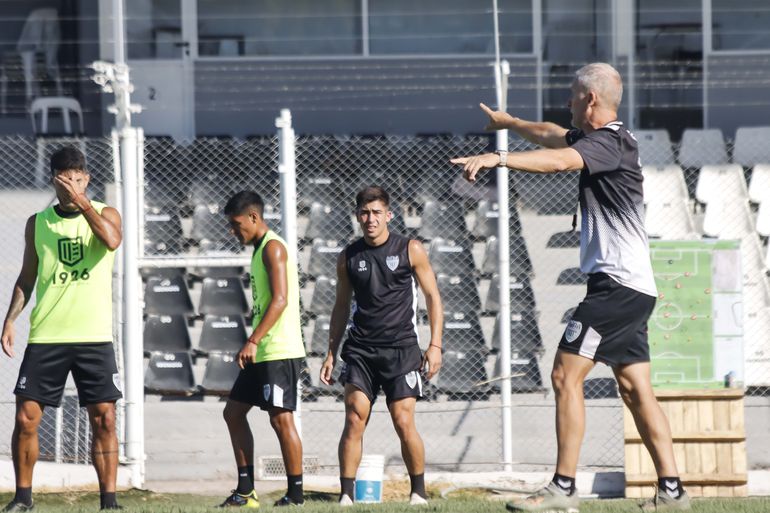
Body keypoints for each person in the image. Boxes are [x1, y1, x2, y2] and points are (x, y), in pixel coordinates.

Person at [450, 63, 690, 512]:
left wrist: (498, 158)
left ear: (590, 99)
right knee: (636, 390)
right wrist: (510, 123)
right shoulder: (605, 140)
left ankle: (562, 489)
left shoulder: (609, 142)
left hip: (616, 287)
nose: (568, 101)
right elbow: (552, 135)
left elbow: (560, 160)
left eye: (573, 95)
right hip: (631, 287)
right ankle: (672, 492)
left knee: (564, 375)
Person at [1, 146, 123, 511]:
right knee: (26, 417)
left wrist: (83, 203)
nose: (72, 186)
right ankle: (23, 498)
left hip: (93, 336)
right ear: (54, 180)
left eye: (78, 179)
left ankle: (109, 502)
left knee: (104, 419)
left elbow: (112, 241)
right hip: (48, 335)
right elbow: (27, 277)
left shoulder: (105, 212)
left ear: (86, 178)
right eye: (65, 180)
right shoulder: (37, 223)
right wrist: (10, 319)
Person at [320, 186, 443, 506]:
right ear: (357, 216)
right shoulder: (348, 256)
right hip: (361, 351)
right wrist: (331, 352)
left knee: (403, 420)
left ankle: (418, 493)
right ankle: (346, 496)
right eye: (364, 213)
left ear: (389, 215)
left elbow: (432, 296)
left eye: (376, 212)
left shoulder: (410, 249)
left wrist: (435, 345)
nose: (370, 219)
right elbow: (340, 306)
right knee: (354, 417)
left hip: (401, 350)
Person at [220, 191, 306, 508]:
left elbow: (281, 300)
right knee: (233, 413)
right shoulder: (259, 250)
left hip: (278, 350)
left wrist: (253, 340)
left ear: (254, 217)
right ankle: (246, 492)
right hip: (263, 350)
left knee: (281, 419)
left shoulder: (273, 248)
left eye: (236, 224)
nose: (233, 231)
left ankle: (296, 495)